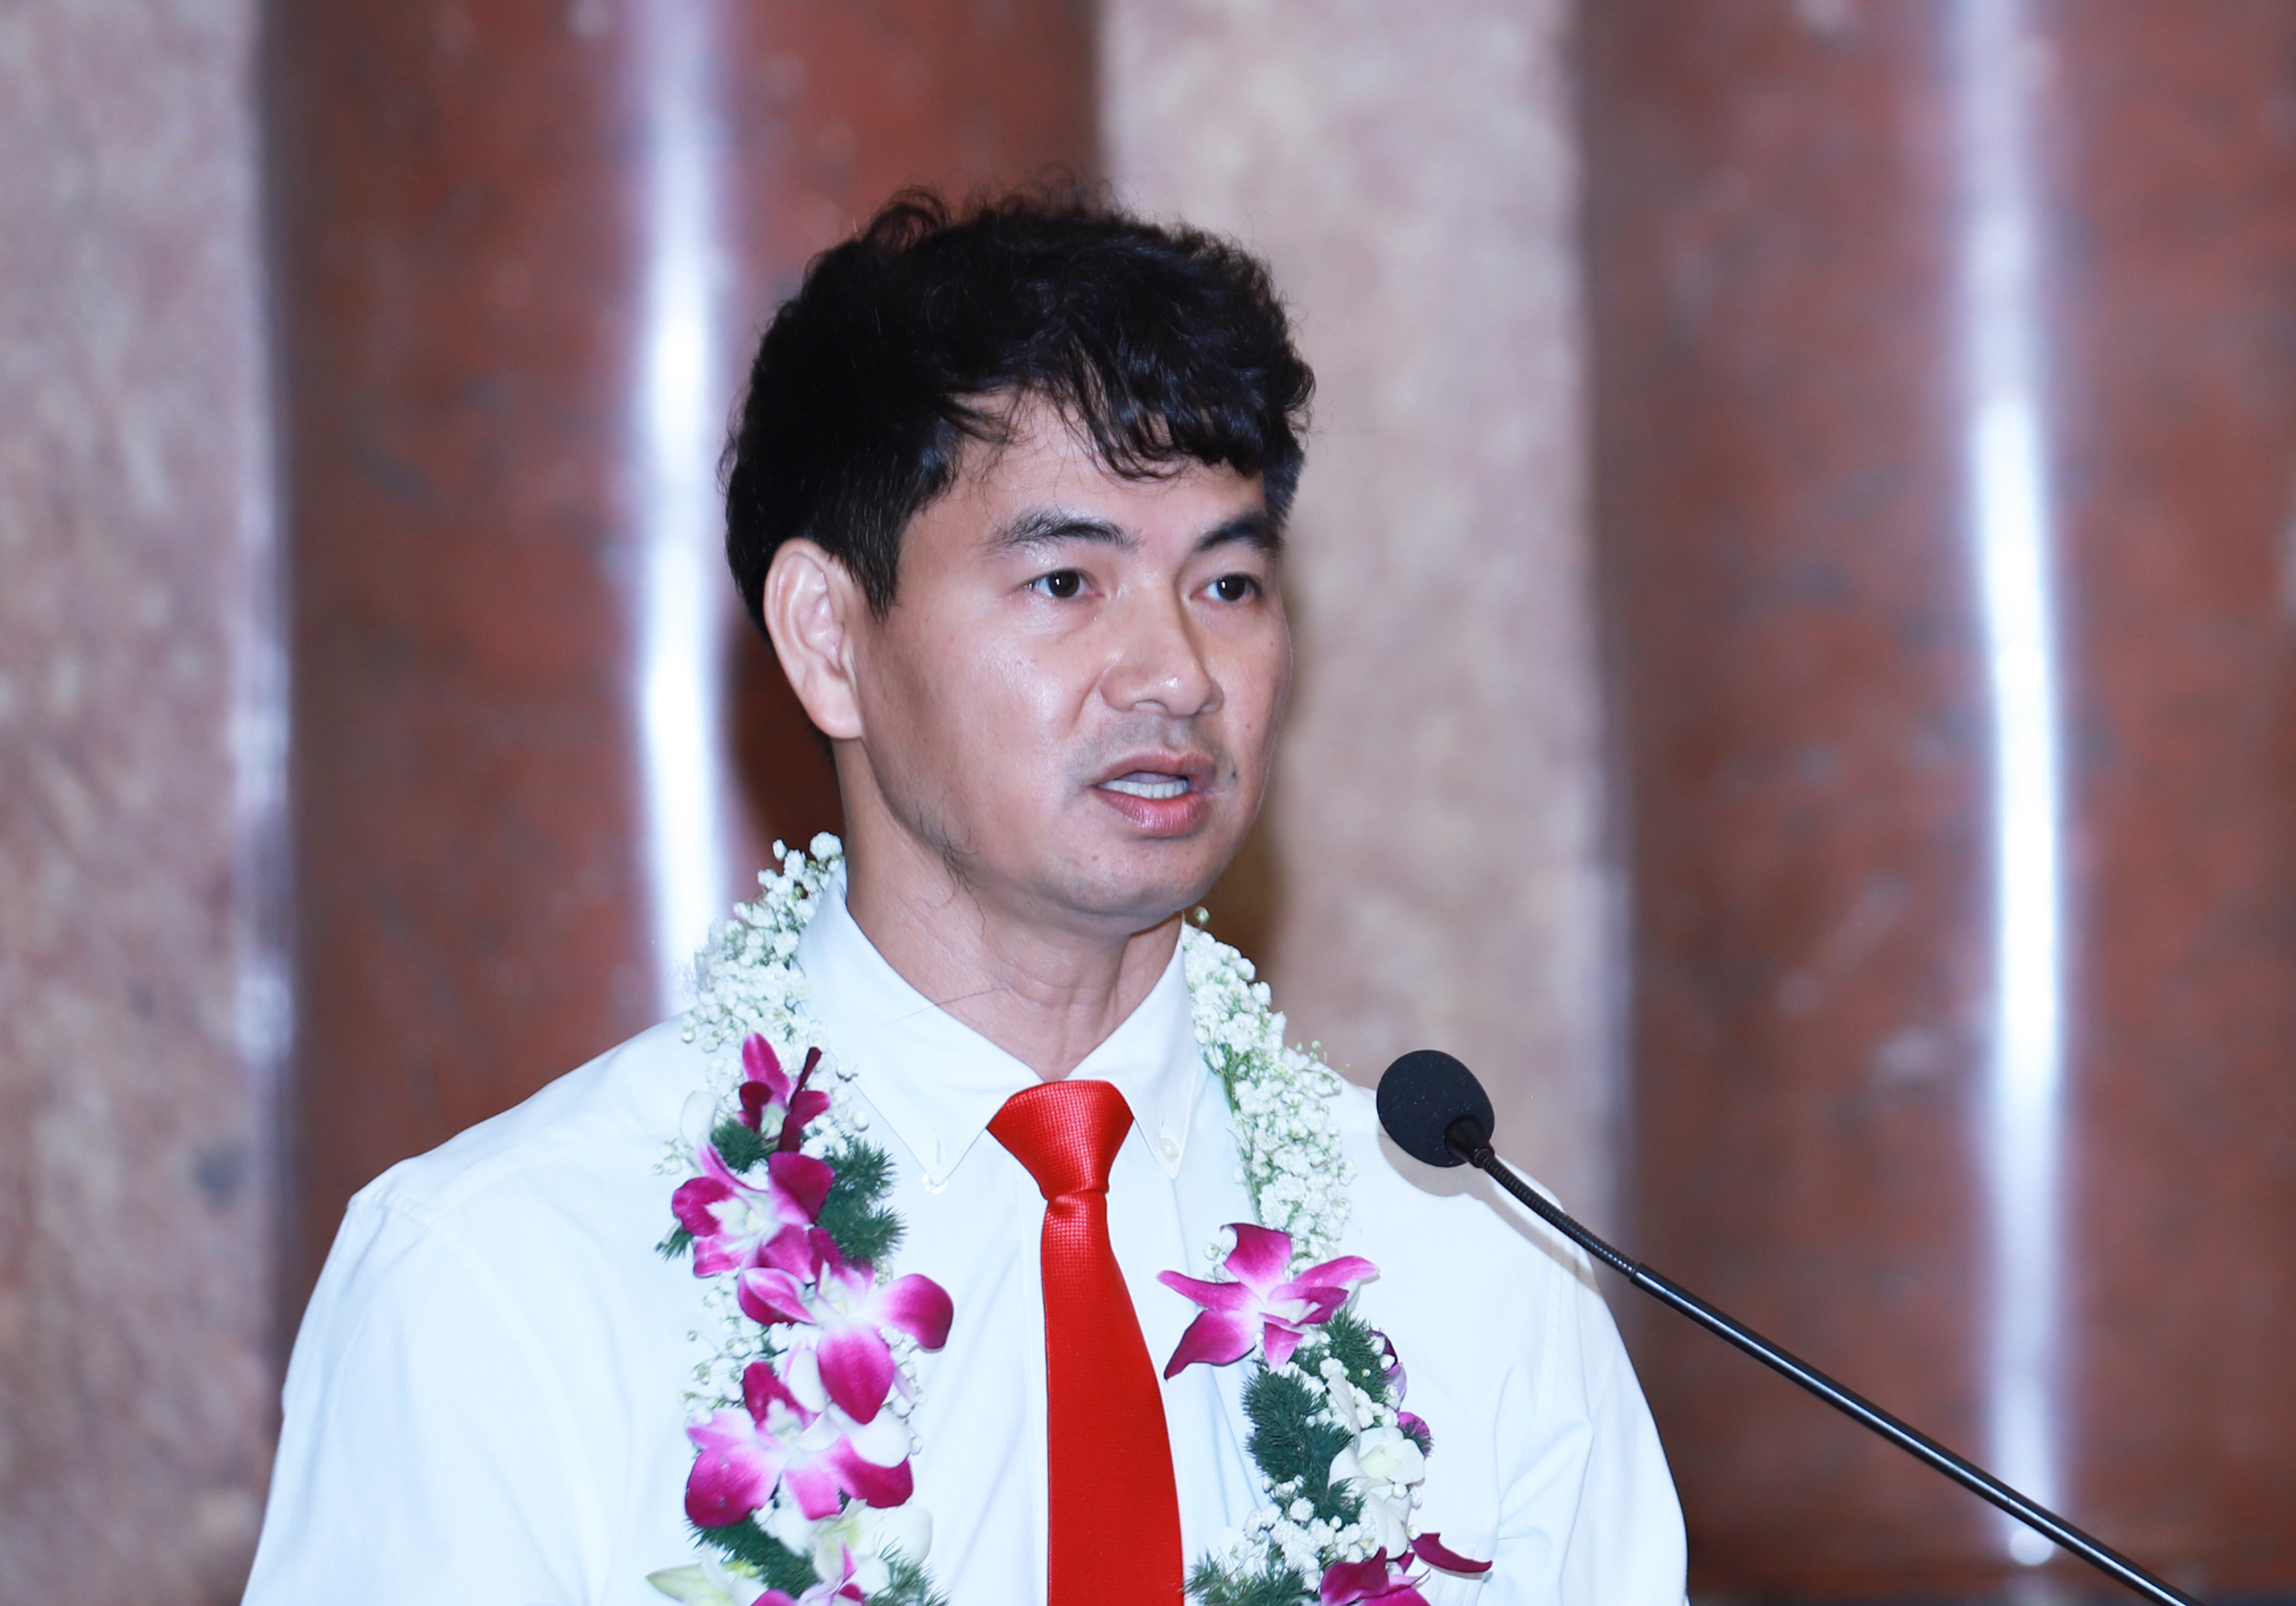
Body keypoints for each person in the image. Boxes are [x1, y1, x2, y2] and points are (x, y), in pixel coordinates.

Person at [242, 189, 1686, 1606]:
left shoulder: (1468, 1260)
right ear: (829, 639)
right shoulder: (506, 1282)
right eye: (1066, 581)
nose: (1178, 675)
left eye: (1229, 584)